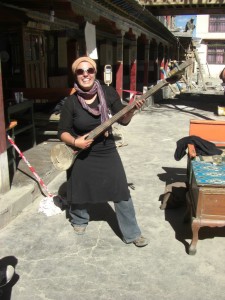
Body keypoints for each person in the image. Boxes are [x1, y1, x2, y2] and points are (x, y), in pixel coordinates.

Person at [58, 56, 148, 247]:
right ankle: (79, 219)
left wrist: (132, 109)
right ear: (75, 75)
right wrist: (76, 141)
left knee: (120, 188)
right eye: (80, 71)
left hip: (106, 149)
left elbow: (122, 119)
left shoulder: (107, 92)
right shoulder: (71, 101)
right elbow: (62, 132)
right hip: (80, 150)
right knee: (79, 184)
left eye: (89, 70)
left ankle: (132, 232)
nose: (85, 75)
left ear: (95, 72)